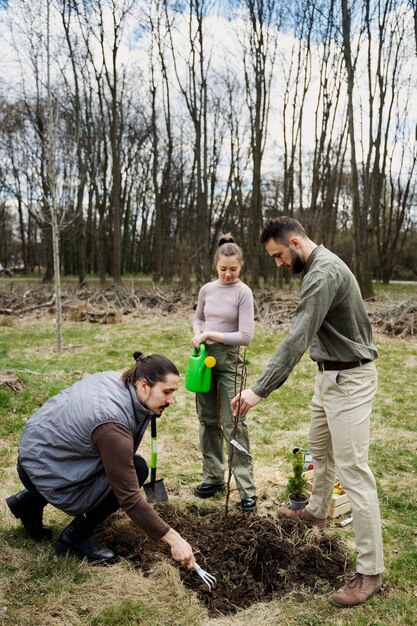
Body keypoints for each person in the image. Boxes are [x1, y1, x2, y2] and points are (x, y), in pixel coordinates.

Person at [231, 217, 384, 607]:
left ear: (296, 242)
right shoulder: (315, 267)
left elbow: (298, 335)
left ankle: (370, 571)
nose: (278, 264)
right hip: (328, 376)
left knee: (353, 471)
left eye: (279, 255)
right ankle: (316, 512)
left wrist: (258, 389)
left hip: (350, 380)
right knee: (320, 447)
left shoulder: (322, 274)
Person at [6, 351, 195, 569]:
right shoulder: (112, 423)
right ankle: (74, 539)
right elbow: (130, 498)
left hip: (37, 456)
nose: (171, 400)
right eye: (167, 392)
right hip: (45, 468)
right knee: (137, 469)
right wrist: (175, 539)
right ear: (144, 385)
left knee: (122, 462)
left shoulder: (116, 380)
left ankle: (28, 503)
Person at [191, 233, 257, 513]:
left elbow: (245, 336)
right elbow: (198, 317)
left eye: (233, 269)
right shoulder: (207, 289)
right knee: (207, 420)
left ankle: (246, 490)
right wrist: (198, 335)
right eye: (223, 269)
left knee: (234, 422)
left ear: (241, 266)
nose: (228, 274)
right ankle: (214, 477)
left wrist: (211, 334)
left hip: (230, 360)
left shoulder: (244, 293)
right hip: (204, 356)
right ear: (215, 265)